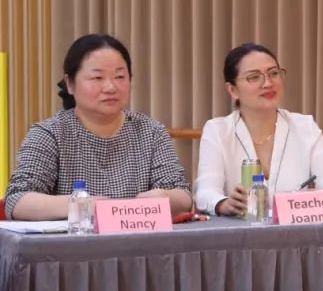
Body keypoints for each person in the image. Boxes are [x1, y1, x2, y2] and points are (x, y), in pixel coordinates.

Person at [4, 33, 191, 220]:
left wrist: (165, 198)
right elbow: (18, 200)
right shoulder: (50, 133)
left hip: (138, 238)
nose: (110, 87)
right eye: (97, 78)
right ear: (70, 84)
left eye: (120, 76)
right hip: (71, 238)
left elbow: (183, 196)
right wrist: (85, 206)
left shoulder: (151, 131)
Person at [194, 43, 323, 215]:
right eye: (254, 77)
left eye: (274, 73)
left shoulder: (304, 127)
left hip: (296, 228)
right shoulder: (217, 131)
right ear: (232, 90)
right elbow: (205, 193)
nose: (268, 83)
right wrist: (223, 204)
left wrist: (303, 202)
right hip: (241, 229)